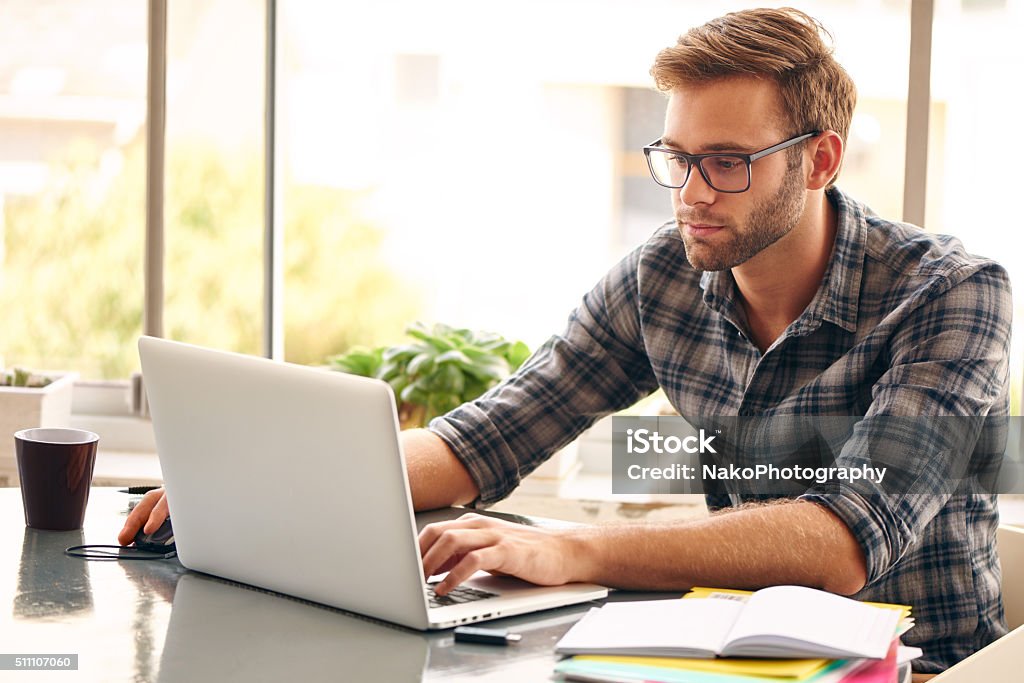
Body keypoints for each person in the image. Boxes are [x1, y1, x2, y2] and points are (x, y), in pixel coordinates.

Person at [120, 8, 1011, 673]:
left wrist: (570, 546)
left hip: (924, 664)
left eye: (728, 162)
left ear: (818, 160)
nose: (691, 192)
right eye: (675, 156)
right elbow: (488, 436)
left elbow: (843, 543)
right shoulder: (663, 275)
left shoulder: (952, 294)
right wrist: (256, 485)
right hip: (739, 656)